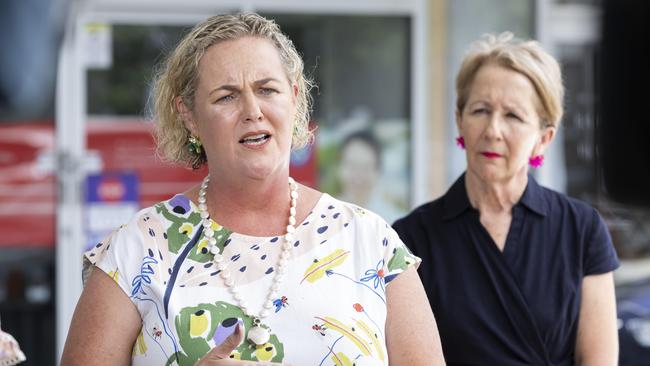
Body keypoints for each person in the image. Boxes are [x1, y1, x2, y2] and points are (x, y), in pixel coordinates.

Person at [61, 13, 445, 366]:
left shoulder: (371, 242)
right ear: (190, 116)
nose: (252, 110)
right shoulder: (136, 249)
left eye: (267, 89)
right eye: (226, 96)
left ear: (294, 99)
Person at [393, 32, 619, 365]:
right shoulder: (411, 238)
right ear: (460, 120)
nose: (493, 130)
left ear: (544, 138)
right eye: (480, 110)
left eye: (513, 115)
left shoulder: (581, 229)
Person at [337, 130, 404, 224]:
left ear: (378, 171)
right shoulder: (325, 216)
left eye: (366, 167)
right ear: (340, 168)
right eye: (352, 166)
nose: (358, 175)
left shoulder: (393, 221)